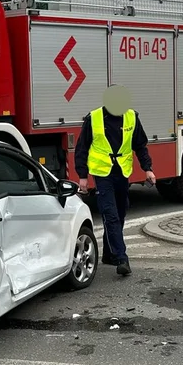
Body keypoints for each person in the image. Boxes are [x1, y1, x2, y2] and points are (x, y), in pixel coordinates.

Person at [75, 85, 155, 276]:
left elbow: (140, 145)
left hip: (122, 172)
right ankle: (122, 259)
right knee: (110, 214)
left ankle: (109, 254)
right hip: (102, 174)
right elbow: (82, 148)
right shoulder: (93, 118)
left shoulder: (131, 117)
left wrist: (148, 169)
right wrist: (83, 176)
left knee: (120, 213)